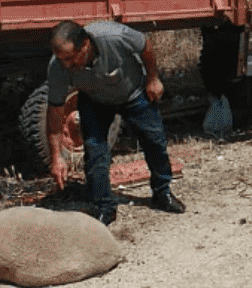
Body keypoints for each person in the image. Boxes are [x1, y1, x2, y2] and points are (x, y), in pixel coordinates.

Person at [46, 20, 185, 226]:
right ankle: (104, 207)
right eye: (61, 59)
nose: (67, 65)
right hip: (94, 101)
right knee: (95, 152)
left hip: (133, 93)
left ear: (85, 45)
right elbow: (55, 111)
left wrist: (153, 78)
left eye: (70, 59)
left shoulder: (114, 36)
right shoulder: (58, 66)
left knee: (155, 141)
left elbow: (145, 45)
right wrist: (57, 157)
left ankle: (162, 193)